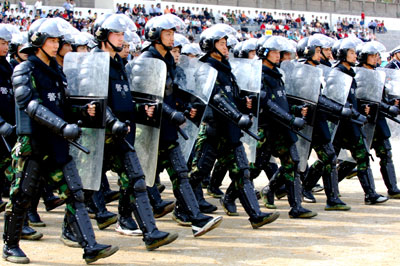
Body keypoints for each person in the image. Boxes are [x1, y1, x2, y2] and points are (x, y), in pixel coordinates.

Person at [3, 18, 119, 264]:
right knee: (22, 196)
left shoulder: (56, 70)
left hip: (57, 145)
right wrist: (62, 126)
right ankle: (10, 245)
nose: (57, 45)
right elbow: (30, 105)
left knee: (75, 193)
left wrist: (82, 111)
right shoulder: (25, 69)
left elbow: (64, 105)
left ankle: (90, 246)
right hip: (32, 145)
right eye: (52, 41)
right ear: (38, 42)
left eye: (58, 41)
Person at [190, 24, 280, 228]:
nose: (226, 46)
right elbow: (216, 98)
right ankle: (184, 208)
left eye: (225, 43)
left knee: (242, 172)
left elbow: (233, 96)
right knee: (198, 172)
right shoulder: (207, 69)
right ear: (210, 45)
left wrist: (244, 103)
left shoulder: (226, 69)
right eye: (221, 43)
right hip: (213, 130)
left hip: (230, 130)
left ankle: (256, 215)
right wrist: (237, 114)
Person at [140, 14, 223, 237]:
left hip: (166, 127)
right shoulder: (147, 59)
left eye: (172, 34)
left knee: (180, 173)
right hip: (149, 128)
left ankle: (196, 218)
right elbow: (149, 97)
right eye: (167, 34)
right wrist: (173, 112)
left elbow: (172, 90)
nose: (171, 38)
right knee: (138, 178)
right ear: (155, 36)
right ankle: (124, 217)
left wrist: (185, 108)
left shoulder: (168, 59)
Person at [254, 36, 317, 219]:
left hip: (282, 129)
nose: (278, 56)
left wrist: (296, 110)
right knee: (255, 168)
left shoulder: (277, 73)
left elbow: (281, 102)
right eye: (273, 52)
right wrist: (291, 119)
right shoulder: (261, 75)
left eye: (278, 53)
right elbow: (267, 104)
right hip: (267, 129)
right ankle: (230, 196)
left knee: (292, 163)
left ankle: (296, 207)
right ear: (264, 53)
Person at [334, 38, 389, 204]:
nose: (354, 55)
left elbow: (353, 98)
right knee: (327, 159)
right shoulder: (338, 73)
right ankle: (307, 187)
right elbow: (337, 99)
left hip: (352, 123)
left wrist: (359, 110)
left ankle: (370, 194)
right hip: (340, 125)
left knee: (362, 156)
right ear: (343, 54)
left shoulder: (351, 73)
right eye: (351, 52)